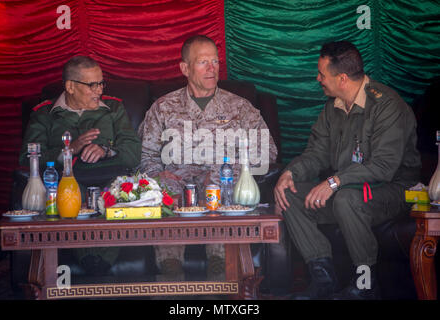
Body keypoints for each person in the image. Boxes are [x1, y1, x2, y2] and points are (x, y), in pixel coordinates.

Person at [274, 40, 421, 300]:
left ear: (342, 78)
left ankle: (365, 286)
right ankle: (324, 282)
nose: (317, 78)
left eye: (322, 74)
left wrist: (333, 182)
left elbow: (384, 167)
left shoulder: (387, 105)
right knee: (291, 197)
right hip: (347, 187)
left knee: (347, 199)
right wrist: (290, 174)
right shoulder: (334, 107)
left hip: (393, 190)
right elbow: (316, 153)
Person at [138, 35, 278, 280]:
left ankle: (220, 276)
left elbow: (268, 153)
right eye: (203, 62)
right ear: (185, 68)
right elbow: (145, 156)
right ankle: (172, 279)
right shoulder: (163, 107)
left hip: (223, 189)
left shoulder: (240, 107)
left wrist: (226, 172)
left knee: (221, 189)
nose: (212, 68)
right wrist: (159, 175)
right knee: (165, 191)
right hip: (177, 190)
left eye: (215, 61)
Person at [20, 55, 142, 274]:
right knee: (71, 197)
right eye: (92, 85)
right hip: (66, 183)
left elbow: (133, 152)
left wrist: (106, 150)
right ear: (70, 86)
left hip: (109, 180)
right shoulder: (44, 114)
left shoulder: (114, 108)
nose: (99, 90)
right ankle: (92, 262)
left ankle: (98, 263)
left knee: (113, 196)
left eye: (101, 83)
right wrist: (70, 150)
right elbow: (28, 158)